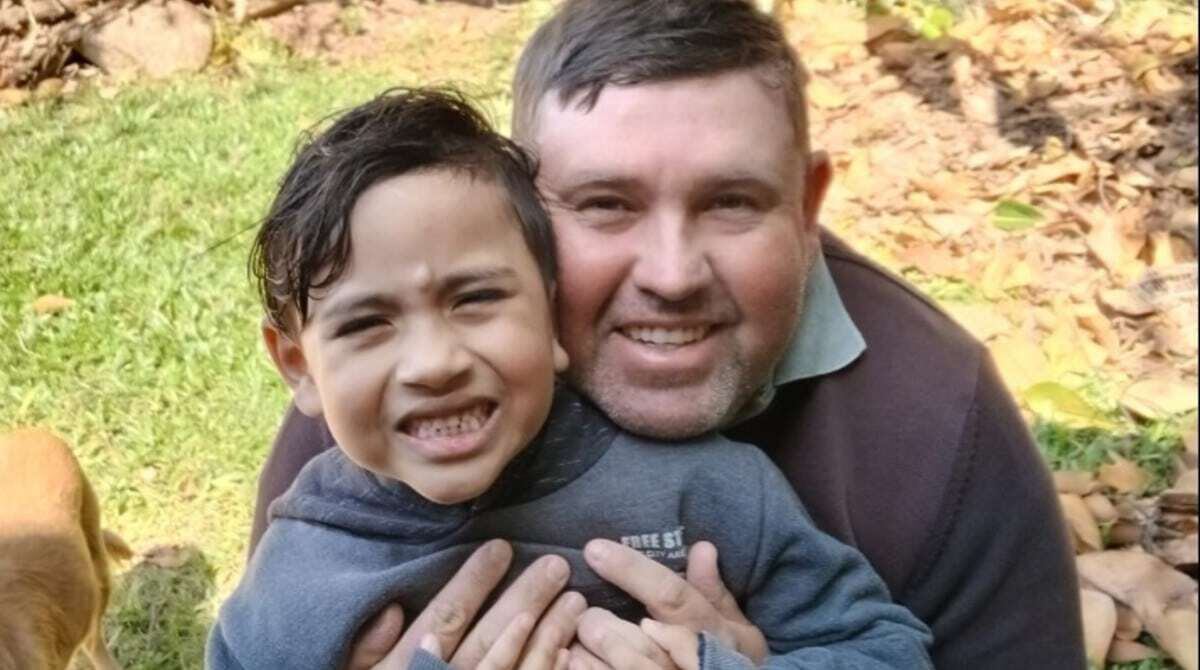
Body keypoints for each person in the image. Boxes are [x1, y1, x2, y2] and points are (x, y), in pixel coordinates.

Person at [250, 2, 1086, 669]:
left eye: (731, 202)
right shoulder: (377, 420)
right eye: (605, 203)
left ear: (806, 205)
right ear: (518, 212)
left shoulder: (941, 420)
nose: (673, 274)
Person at [209, 87, 934, 670]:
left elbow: (888, 652)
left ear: (552, 314)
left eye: (476, 299)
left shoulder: (710, 493)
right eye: (367, 323)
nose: (435, 363)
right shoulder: (299, 576)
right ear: (298, 367)